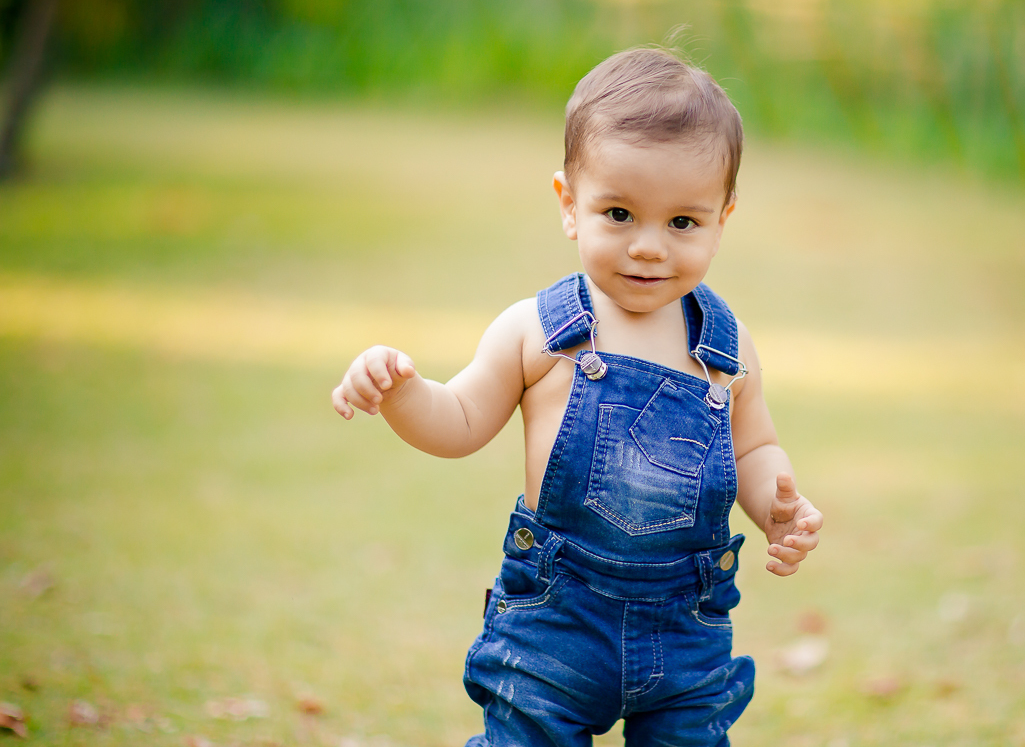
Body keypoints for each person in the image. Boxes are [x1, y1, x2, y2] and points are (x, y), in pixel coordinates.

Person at [331, 46, 823, 746]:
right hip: (555, 626)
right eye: (619, 213)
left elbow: (753, 445)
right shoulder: (539, 330)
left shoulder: (728, 347)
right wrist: (403, 393)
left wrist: (780, 504)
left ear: (723, 219)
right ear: (569, 205)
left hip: (686, 635)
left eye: (682, 223)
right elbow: (461, 421)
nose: (649, 246)